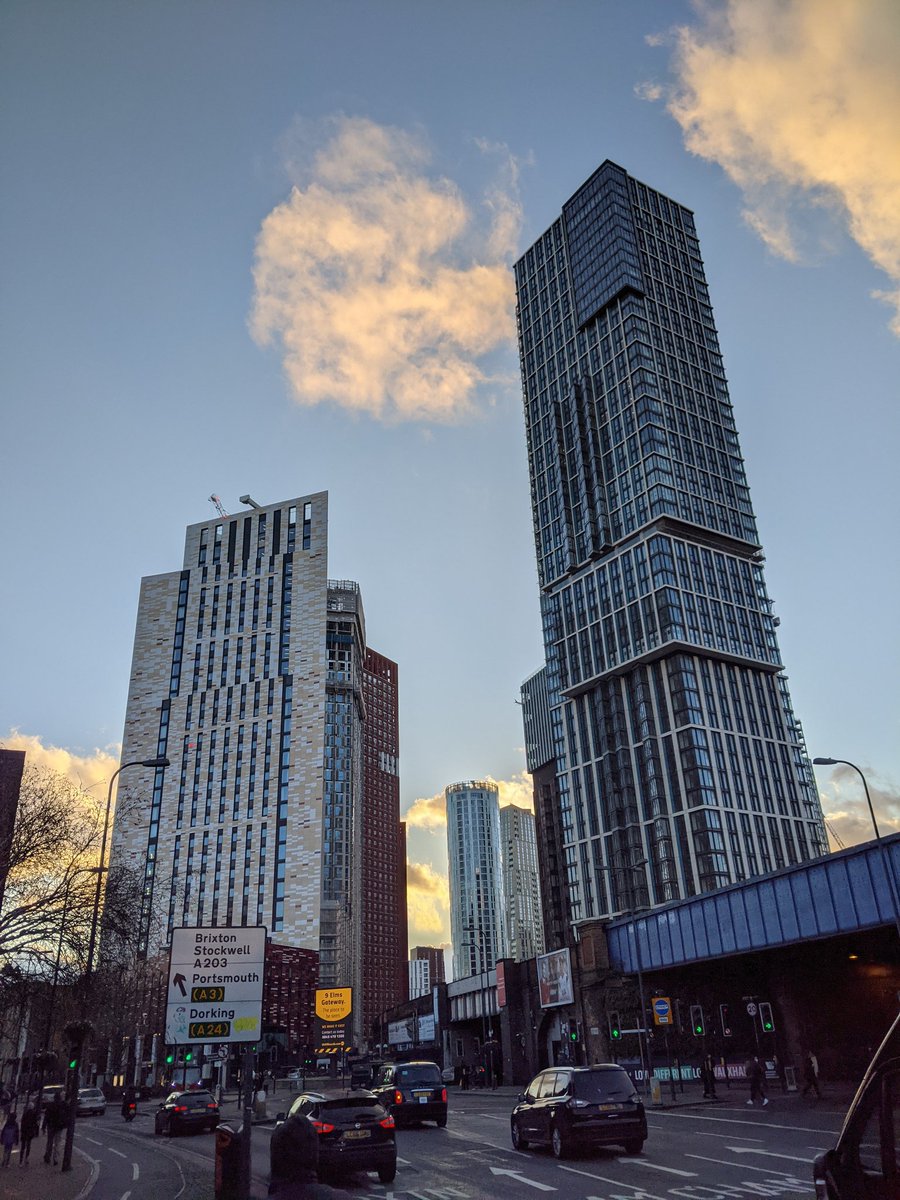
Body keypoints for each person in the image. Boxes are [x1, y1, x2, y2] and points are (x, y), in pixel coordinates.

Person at [43, 1093, 67, 1164]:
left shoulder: (50, 1106)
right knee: (57, 1143)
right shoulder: (62, 1106)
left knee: (49, 1142)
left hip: (51, 1126)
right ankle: (55, 1158)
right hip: (59, 1127)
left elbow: (46, 1117)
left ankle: (48, 1156)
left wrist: (44, 1126)